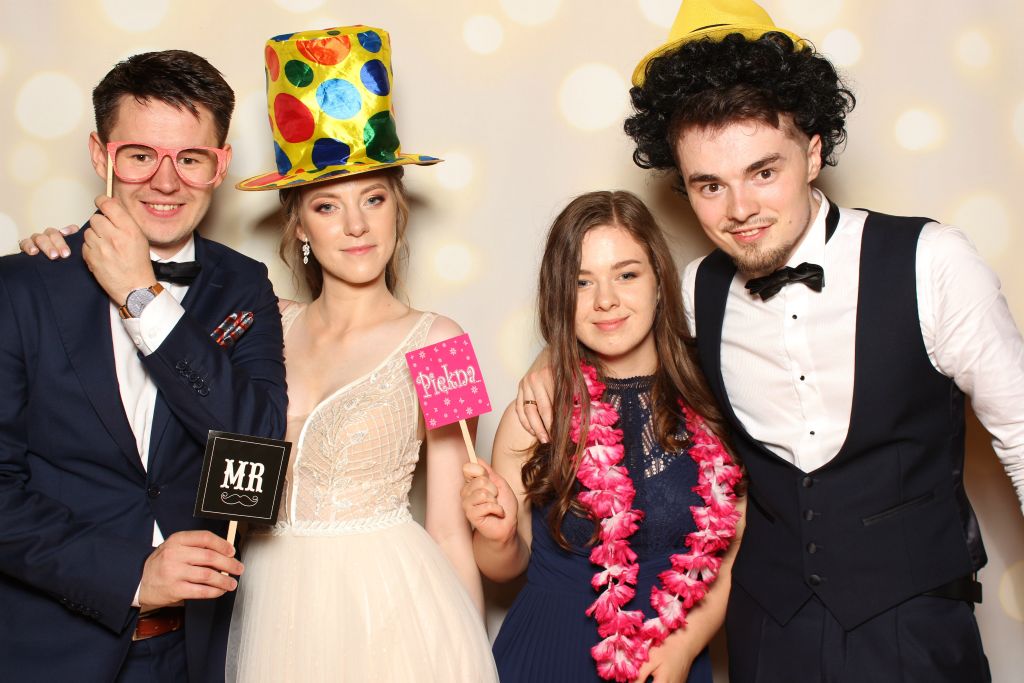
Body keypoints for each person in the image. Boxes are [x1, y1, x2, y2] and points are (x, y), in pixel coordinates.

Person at [517, 1, 1024, 680]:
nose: (740, 210)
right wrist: (551, 364)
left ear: (813, 152)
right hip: (767, 638)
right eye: (709, 185)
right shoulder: (695, 291)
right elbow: (613, 326)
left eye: (763, 172)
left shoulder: (932, 262)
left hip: (916, 636)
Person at [0, 50, 287, 681]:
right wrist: (132, 574)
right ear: (100, 155)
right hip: (49, 652)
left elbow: (256, 445)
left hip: (197, 654)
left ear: (221, 165)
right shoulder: (20, 287)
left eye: (190, 158)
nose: (165, 182)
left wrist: (142, 297)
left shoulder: (243, 284)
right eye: (139, 156)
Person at [222, 26, 497, 681]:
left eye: (373, 198)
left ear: (397, 209)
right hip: (270, 606)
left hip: (388, 610)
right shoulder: (262, 325)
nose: (355, 225)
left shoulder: (443, 342)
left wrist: (468, 658)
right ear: (299, 224)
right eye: (327, 206)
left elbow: (451, 527)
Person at [464, 190, 743, 683]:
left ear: (659, 281)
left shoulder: (715, 399)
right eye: (581, 282)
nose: (605, 300)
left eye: (627, 274)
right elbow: (505, 568)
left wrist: (684, 646)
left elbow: (739, 548)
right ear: (559, 296)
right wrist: (497, 536)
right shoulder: (536, 412)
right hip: (548, 656)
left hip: (671, 656)